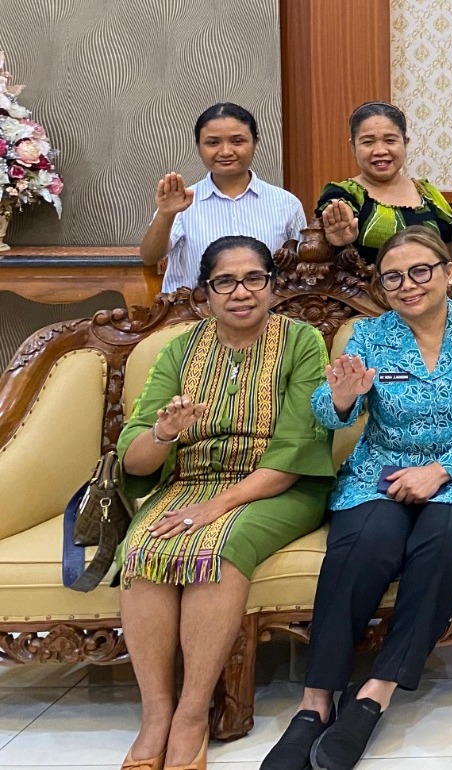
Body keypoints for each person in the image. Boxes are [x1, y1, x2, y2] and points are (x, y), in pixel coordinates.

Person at [262, 227, 452, 770]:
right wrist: (341, 400)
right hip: (379, 474)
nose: (408, 285)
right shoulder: (369, 335)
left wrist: (439, 471)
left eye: (420, 271)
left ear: (447, 272)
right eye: (393, 277)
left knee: (446, 543)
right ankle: (315, 702)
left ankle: (374, 693)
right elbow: (331, 410)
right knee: (363, 545)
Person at [116, 236, 334, 770]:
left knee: (216, 546)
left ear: (272, 286)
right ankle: (156, 717)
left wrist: (216, 508)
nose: (242, 292)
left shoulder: (301, 342)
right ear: (205, 292)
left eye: (254, 278)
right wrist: (164, 434)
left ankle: (192, 716)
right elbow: (134, 458)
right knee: (143, 547)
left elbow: (297, 448)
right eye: (226, 282)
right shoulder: (179, 349)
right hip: (187, 482)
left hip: (280, 485)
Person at [139, 103, 307, 294]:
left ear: (255, 143)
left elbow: (301, 270)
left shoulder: (286, 204)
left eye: (237, 141)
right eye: (213, 143)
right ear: (199, 147)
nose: (225, 151)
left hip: (265, 310)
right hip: (192, 310)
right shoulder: (181, 203)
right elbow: (149, 257)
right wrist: (165, 214)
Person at [316, 102, 452, 282]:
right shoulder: (343, 194)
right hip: (363, 299)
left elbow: (451, 262)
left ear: (405, 143)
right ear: (353, 147)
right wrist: (342, 243)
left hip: (427, 298)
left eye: (390, 140)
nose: (380, 151)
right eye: (368, 142)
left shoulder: (428, 195)